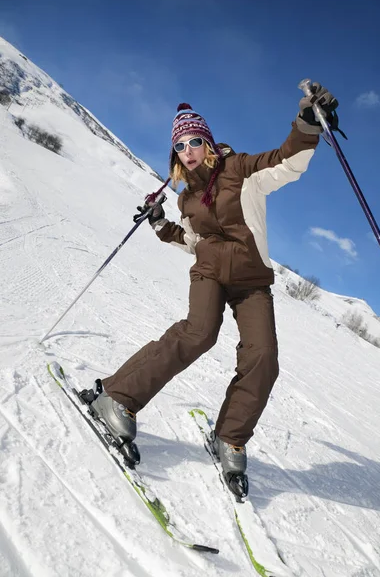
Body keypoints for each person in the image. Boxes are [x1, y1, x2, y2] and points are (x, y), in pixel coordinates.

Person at [91, 83, 339, 494]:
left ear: (207, 142)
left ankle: (230, 436)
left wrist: (307, 125)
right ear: (176, 154)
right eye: (180, 145)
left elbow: (285, 161)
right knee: (198, 333)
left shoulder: (242, 170)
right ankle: (117, 396)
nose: (188, 150)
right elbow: (190, 240)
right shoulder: (187, 200)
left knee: (264, 357)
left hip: (251, 281)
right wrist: (157, 222)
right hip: (208, 273)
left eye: (194, 141)